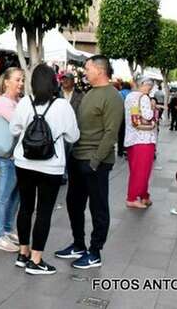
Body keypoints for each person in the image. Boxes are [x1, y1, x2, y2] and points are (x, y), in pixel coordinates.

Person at [10, 65, 80, 275]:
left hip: (23, 163)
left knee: (25, 207)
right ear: (53, 83)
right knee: (44, 212)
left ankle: (23, 254)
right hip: (51, 166)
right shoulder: (62, 106)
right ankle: (36, 260)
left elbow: (13, 129)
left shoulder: (24, 102)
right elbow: (73, 137)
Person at [55, 55, 123, 270]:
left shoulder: (112, 97)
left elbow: (111, 132)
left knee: (98, 207)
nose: (85, 72)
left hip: (96, 161)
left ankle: (95, 252)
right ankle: (78, 244)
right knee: (74, 203)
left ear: (100, 70)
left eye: (88, 68)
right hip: (78, 157)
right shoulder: (89, 93)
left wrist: (95, 161)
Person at [0, 67, 25, 252]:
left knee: (14, 196)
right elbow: (18, 125)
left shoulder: (18, 101)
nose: (21, 83)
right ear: (7, 82)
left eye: (22, 80)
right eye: (17, 80)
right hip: (7, 156)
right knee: (3, 196)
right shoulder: (3, 102)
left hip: (17, 156)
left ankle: (6, 228)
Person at [124, 76, 158, 209]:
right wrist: (154, 108)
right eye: (149, 85)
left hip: (132, 137)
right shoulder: (144, 97)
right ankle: (132, 198)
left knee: (136, 169)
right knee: (142, 170)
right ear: (143, 84)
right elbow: (148, 116)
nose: (150, 88)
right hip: (144, 138)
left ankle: (144, 195)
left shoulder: (129, 97)